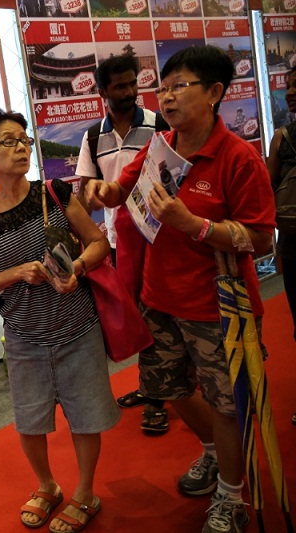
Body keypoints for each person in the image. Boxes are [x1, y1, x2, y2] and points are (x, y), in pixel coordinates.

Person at [85, 45, 276, 533]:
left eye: (179, 87)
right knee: (168, 390)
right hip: (158, 297)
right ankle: (214, 453)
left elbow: (260, 237)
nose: (166, 98)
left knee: (227, 403)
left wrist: (196, 225)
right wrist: (97, 192)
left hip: (218, 307)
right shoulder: (160, 146)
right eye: (163, 88)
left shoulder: (240, 159)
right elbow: (119, 190)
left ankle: (232, 496)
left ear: (214, 93)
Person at [0, 107, 117, 532]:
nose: (20, 148)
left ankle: (85, 492)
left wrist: (79, 269)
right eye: (8, 142)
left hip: (77, 328)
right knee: (30, 421)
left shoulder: (54, 193)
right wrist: (10, 275)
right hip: (25, 337)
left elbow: (98, 243)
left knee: (86, 415)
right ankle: (47, 485)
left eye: (24, 141)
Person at [75, 53, 171, 434]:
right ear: (102, 92)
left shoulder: (159, 124)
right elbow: (83, 190)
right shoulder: (93, 136)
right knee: (137, 319)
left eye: (133, 83)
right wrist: (91, 201)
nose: (130, 92)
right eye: (120, 86)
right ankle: (153, 388)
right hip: (120, 239)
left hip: (163, 236)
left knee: (160, 314)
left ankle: (161, 397)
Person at [265, 65, 296, 426]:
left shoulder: (282, 138)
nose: (290, 91)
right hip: (293, 245)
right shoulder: (281, 137)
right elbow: (268, 193)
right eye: (288, 85)